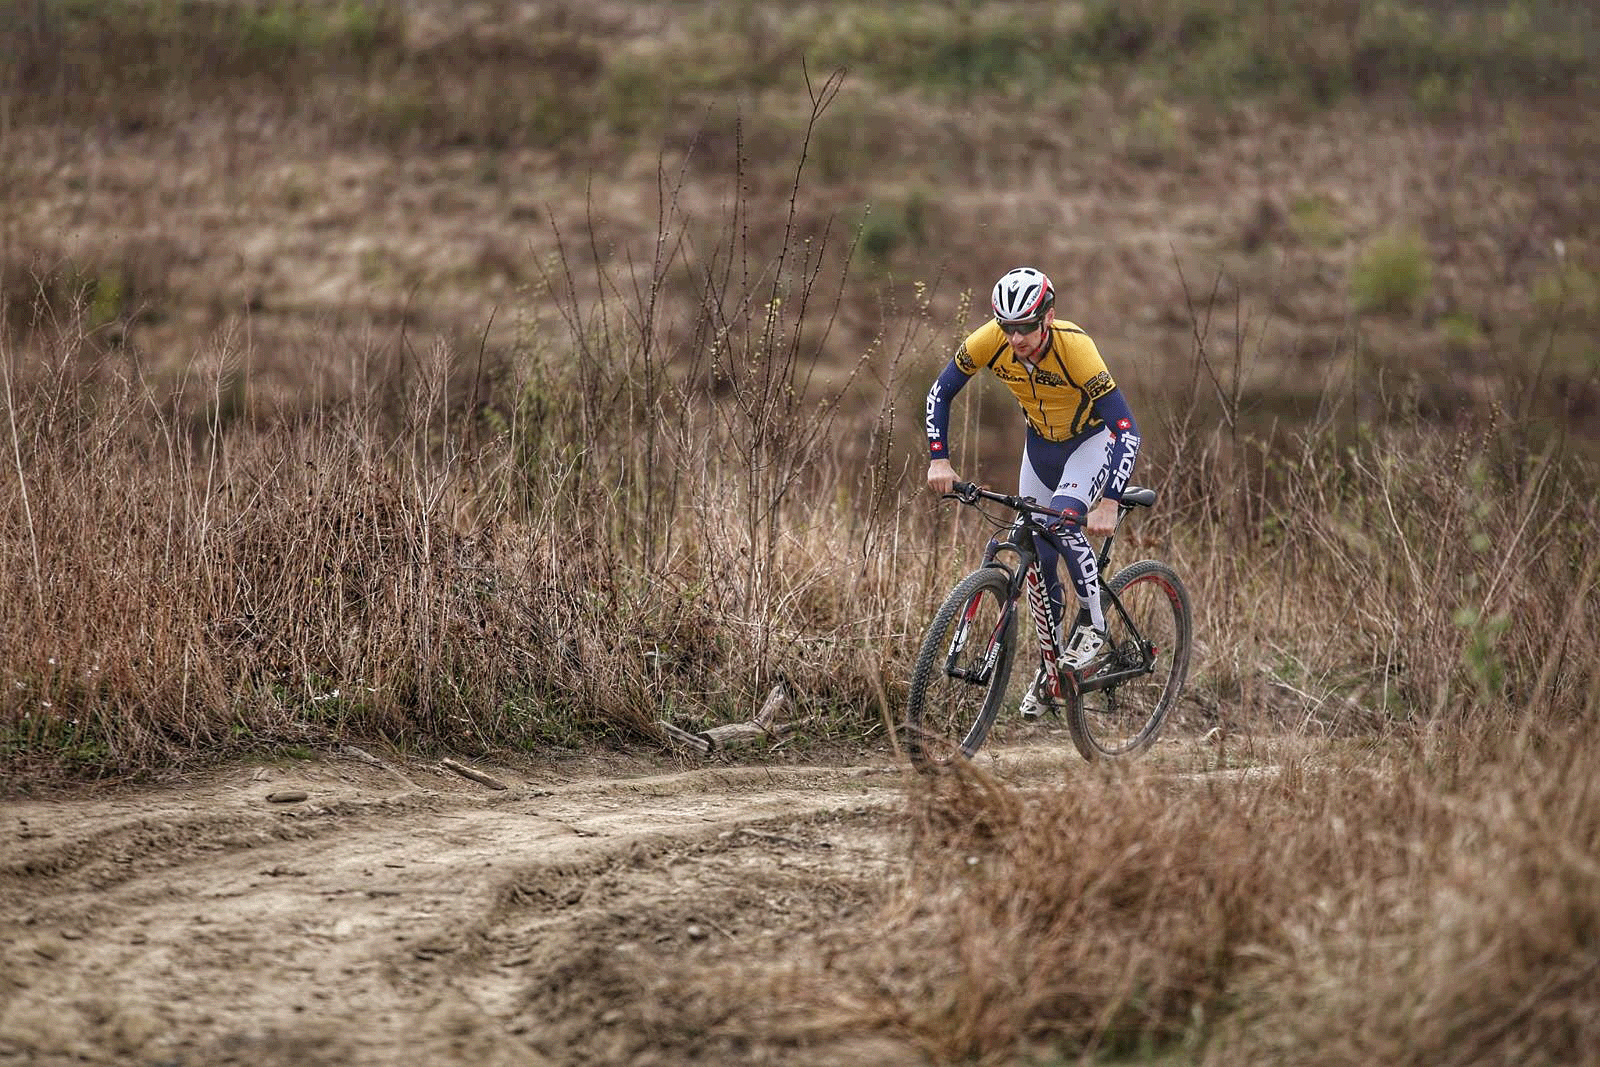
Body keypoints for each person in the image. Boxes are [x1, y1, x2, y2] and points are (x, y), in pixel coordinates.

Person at [925, 266, 1142, 718]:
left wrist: (1108, 501)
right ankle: (1052, 670)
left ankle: (1095, 626)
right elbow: (939, 393)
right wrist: (939, 457)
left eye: (1025, 327)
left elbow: (1127, 431)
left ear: (1048, 316)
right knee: (1037, 555)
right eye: (1007, 327)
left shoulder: (1076, 349)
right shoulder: (990, 339)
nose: (1016, 338)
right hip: (1040, 446)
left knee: (1062, 520)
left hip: (1090, 441)